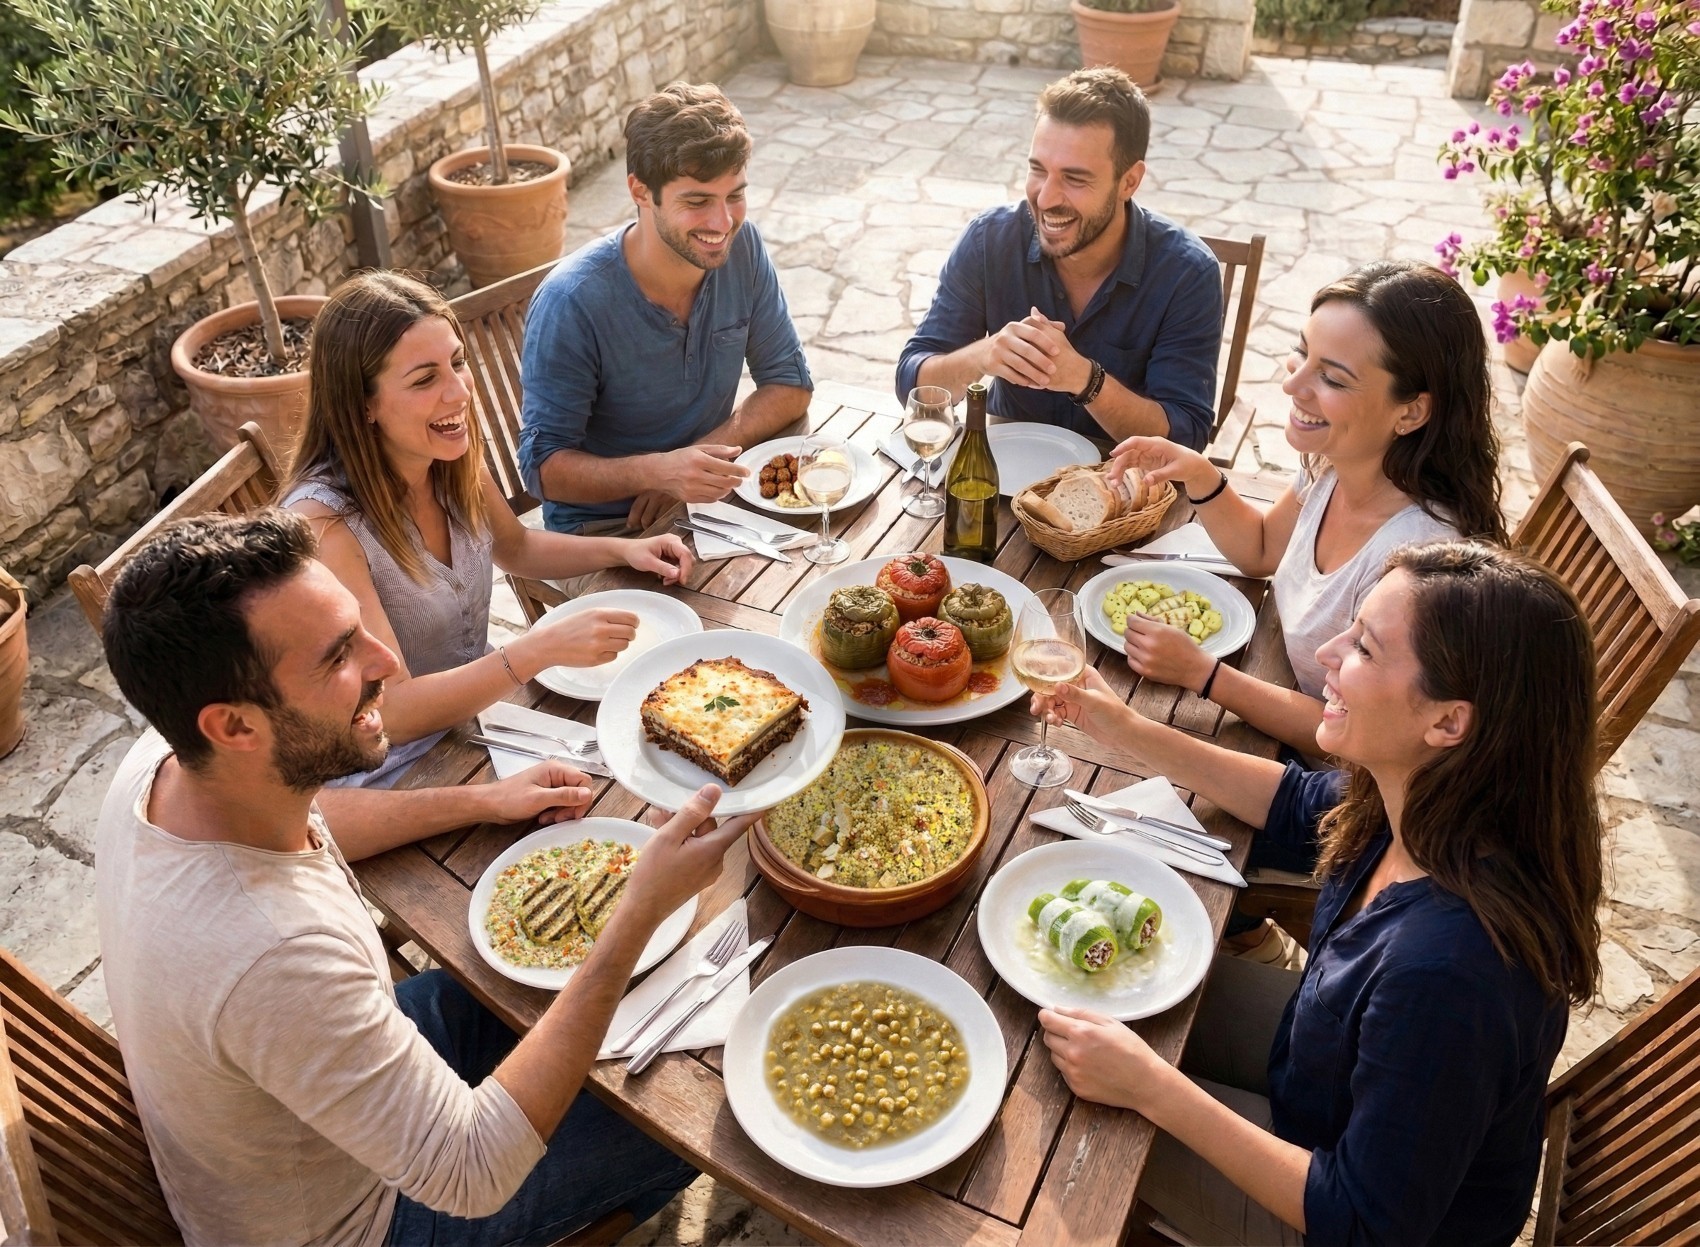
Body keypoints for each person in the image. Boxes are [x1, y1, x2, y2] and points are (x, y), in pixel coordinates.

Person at [95, 509, 757, 1247]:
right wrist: (639, 910)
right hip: (361, 1219)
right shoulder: (276, 952)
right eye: (338, 657)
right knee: (699, 1115)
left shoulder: (169, 760)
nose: (385, 663)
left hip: (289, 1108)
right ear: (235, 725)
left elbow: (320, 814)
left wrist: (483, 800)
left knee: (582, 987)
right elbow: (474, 1170)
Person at [1035, 540, 1604, 1246]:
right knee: (1074, 990)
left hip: (1335, 1213)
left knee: (1074, 1132)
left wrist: (1150, 1086)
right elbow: (1292, 804)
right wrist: (1124, 728)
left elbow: (1362, 1222)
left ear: (1448, 721)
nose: (1329, 654)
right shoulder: (1434, 799)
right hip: (1323, 1073)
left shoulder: (1450, 973)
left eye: (1363, 647)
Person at [282, 271, 694, 788]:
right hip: (392, 774)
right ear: (362, 403)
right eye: (424, 379)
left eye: (457, 362)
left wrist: (624, 551)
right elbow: (394, 712)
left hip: (485, 725)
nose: (458, 393)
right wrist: (535, 650)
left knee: (663, 748)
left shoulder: (445, 455)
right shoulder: (326, 527)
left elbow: (517, 547)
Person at [1107, 259, 1508, 760]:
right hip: (1271, 679)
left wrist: (1203, 674)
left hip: (1329, 775)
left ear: (1410, 412)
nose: (1292, 386)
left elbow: (1363, 738)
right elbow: (1260, 550)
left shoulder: (1416, 562)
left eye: (1333, 379)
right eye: (1302, 354)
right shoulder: (1335, 463)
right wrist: (1199, 474)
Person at [519, 82, 814, 535]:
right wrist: (657, 473)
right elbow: (542, 469)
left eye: (734, 195)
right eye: (697, 201)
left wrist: (693, 465)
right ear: (640, 191)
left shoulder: (743, 248)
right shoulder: (571, 302)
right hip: (607, 531)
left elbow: (790, 386)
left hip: (710, 507)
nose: (723, 222)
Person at [895, 67, 1222, 449]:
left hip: (1122, 479)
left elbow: (1186, 435)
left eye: (1075, 178)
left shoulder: (1187, 273)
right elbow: (910, 383)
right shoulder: (989, 240)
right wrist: (981, 356)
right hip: (1004, 465)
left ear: (1129, 181)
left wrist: (1087, 380)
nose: (1046, 198)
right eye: (1038, 170)